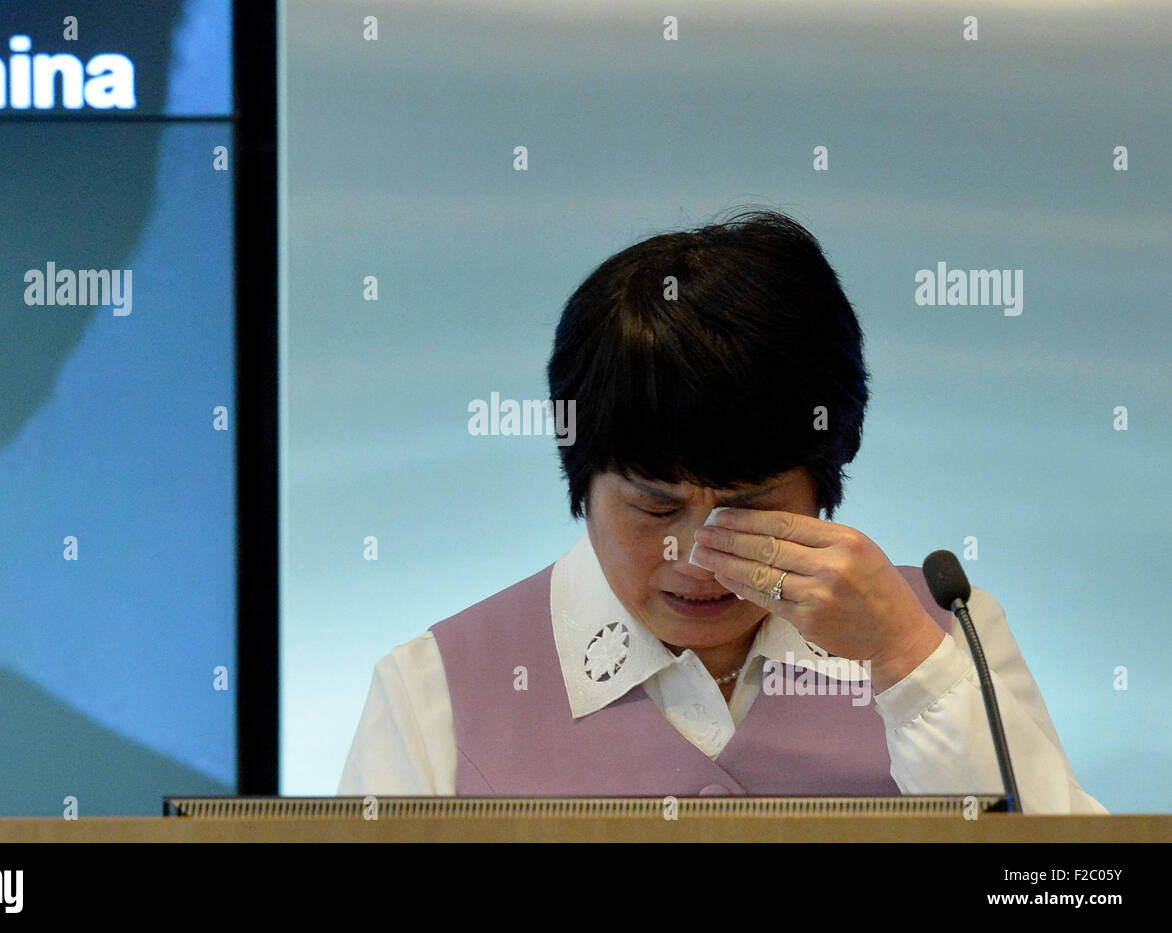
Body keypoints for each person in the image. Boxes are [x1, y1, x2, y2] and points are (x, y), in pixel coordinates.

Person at [338, 208, 1106, 812]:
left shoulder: (946, 630)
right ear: (583, 478)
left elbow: (1069, 886)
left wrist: (908, 663)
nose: (697, 555)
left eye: (749, 505)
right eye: (654, 505)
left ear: (825, 476)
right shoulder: (434, 686)